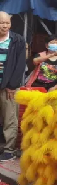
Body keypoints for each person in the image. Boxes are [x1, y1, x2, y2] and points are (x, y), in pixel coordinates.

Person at [0, 11, 27, 162]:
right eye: (1, 23)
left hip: (8, 86)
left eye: (7, 23)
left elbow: (20, 65)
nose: (5, 26)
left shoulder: (18, 40)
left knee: (10, 117)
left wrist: (12, 85)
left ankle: (9, 150)